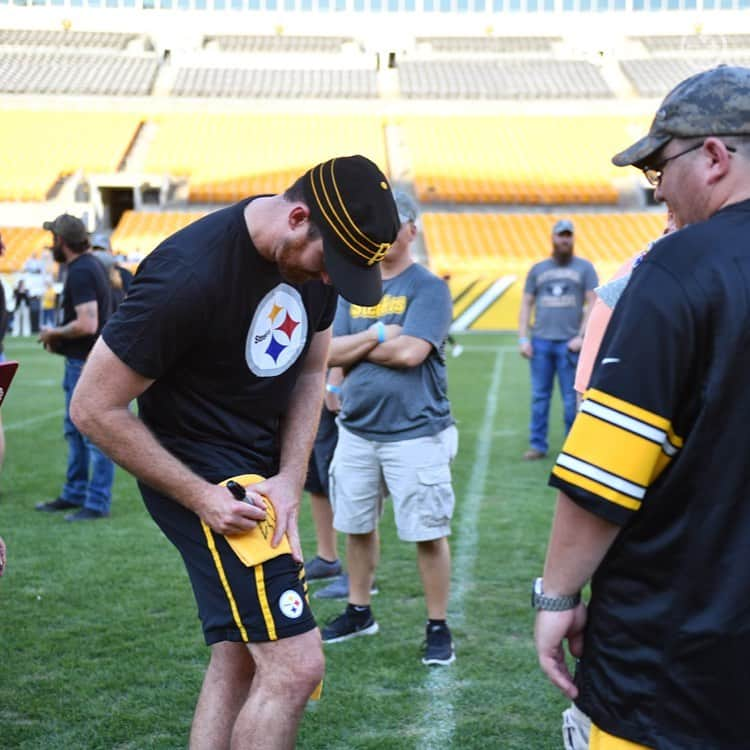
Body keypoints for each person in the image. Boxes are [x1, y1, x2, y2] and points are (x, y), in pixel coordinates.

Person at [69, 155, 400, 750]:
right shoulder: (187, 275)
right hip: (205, 477)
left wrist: (291, 478)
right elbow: (92, 407)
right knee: (296, 668)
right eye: (331, 265)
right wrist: (203, 498)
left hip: (263, 475)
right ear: (298, 218)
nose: (331, 283)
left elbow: (310, 368)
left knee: (239, 656)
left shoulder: (312, 270)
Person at [533, 65, 750, 750]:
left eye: (660, 169)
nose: (657, 191)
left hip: (676, 658)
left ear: (713, 156)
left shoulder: (677, 269)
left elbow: (605, 479)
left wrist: (558, 597)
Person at [321, 191, 458, 666]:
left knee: (427, 533)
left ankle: (438, 626)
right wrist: (380, 334)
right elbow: (327, 353)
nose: (379, 233)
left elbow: (411, 354)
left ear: (412, 231)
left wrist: (352, 346)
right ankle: (359, 610)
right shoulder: (354, 286)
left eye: (391, 224)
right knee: (356, 527)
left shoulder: (429, 288)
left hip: (416, 432)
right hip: (358, 430)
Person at [34, 214, 115, 522]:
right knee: (75, 431)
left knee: (91, 434)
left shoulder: (81, 270)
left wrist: (54, 333)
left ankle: (96, 501)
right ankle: (75, 493)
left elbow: (87, 323)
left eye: (53, 238)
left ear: (61, 241)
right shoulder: (89, 265)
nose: (51, 244)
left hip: (85, 364)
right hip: (85, 361)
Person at [518, 220, 598, 460]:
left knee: (570, 399)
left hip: (569, 344)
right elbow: (526, 303)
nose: (564, 240)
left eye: (568, 236)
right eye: (561, 236)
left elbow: (594, 303)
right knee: (540, 397)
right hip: (541, 342)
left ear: (573, 239)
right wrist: (523, 337)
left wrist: (582, 336)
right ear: (552, 238)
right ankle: (538, 445)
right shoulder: (538, 269)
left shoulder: (585, 268)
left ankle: (572, 447)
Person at [302, 368, 345, 583]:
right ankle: (327, 558)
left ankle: (361, 573)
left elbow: (338, 340)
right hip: (307, 387)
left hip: (329, 386)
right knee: (315, 480)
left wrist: (333, 384)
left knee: (344, 483)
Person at [91, 233, 133, 313]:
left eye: (101, 250)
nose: (98, 254)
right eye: (95, 250)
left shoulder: (124, 274)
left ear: (110, 252)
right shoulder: (90, 275)